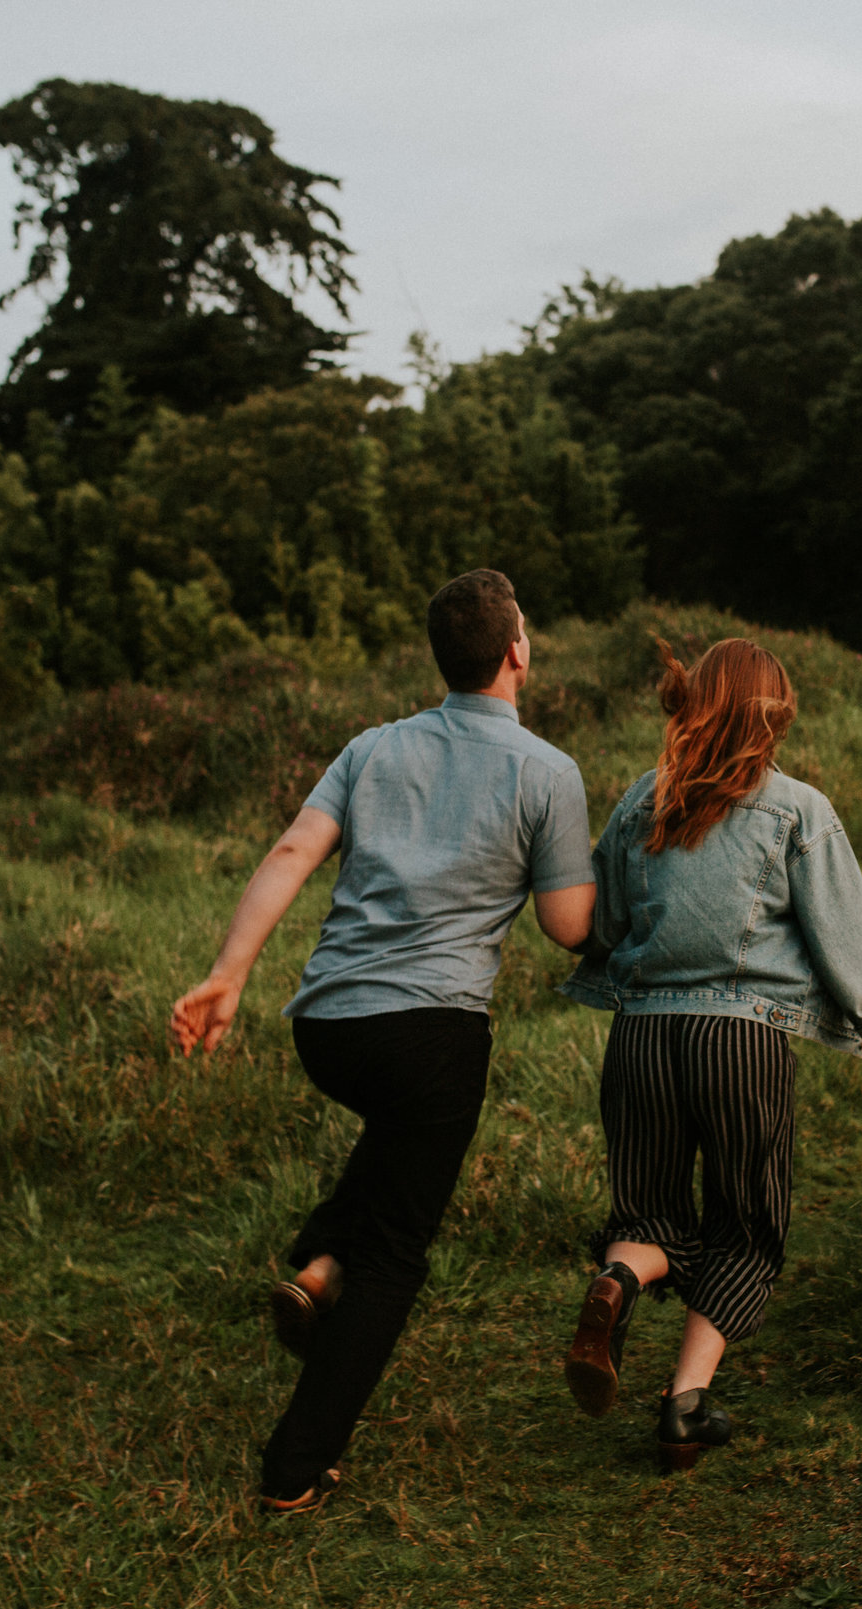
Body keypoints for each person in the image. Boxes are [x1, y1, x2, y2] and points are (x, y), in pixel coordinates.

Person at [169, 569, 595, 1513]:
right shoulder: (547, 771)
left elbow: (290, 852)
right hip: (435, 1035)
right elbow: (569, 925)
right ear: (517, 650)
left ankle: (322, 1258)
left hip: (327, 1027)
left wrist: (229, 974)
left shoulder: (371, 747)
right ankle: (294, 1464)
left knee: (396, 1139)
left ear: (443, 659)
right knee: (400, 1252)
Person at [557, 637, 862, 1470]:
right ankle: (685, 1404)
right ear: (771, 720)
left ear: (697, 704)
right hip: (742, 1040)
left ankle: (620, 1279)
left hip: (643, 1039)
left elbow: (602, 926)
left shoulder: (642, 802)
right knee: (746, 1224)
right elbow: (849, 939)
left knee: (647, 1211)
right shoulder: (797, 809)